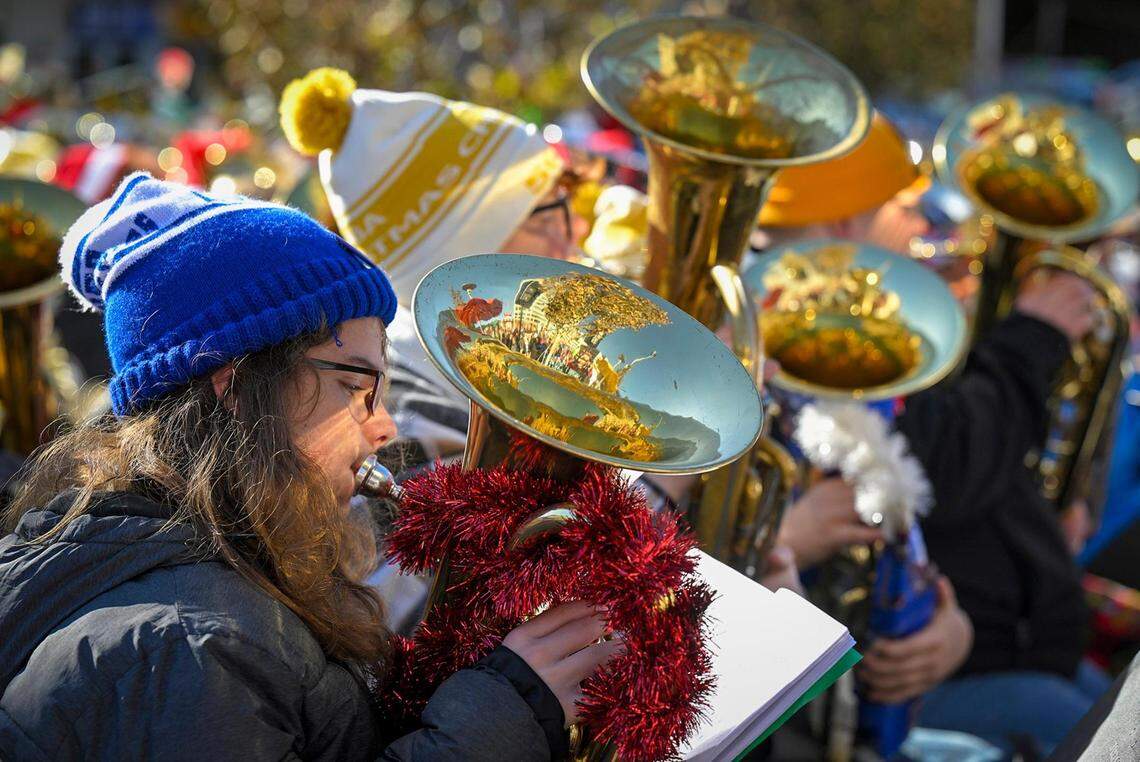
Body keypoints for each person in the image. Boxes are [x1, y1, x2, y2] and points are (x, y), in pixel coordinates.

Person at [0, 174, 621, 760]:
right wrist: (504, 713)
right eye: (356, 387)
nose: (385, 427)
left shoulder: (212, 596)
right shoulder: (190, 648)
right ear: (238, 387)